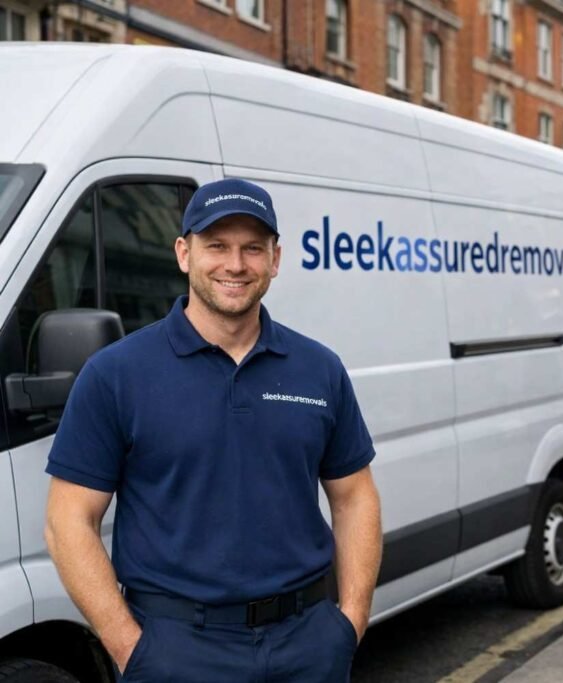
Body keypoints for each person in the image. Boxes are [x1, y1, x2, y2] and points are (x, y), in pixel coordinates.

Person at [44, 179, 382, 683]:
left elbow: (355, 497)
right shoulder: (117, 374)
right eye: (217, 246)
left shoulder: (319, 368)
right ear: (184, 253)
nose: (235, 264)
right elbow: (67, 521)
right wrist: (132, 649)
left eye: (252, 248)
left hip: (307, 643)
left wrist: (348, 624)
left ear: (275, 259)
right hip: (178, 650)